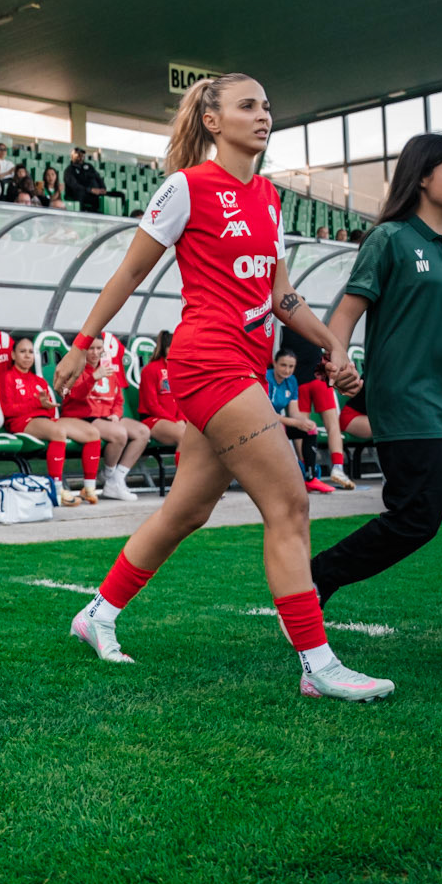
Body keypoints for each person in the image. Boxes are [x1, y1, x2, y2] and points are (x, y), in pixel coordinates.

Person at [52, 72, 392, 700]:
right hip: (209, 362)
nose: (264, 115)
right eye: (247, 106)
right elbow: (129, 274)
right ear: (212, 120)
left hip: (247, 363)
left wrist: (331, 341)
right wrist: (80, 345)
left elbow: (281, 295)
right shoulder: (185, 187)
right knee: (290, 503)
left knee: (187, 509)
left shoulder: (268, 195)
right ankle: (318, 665)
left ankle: (95, 614)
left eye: (266, 104)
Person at [309, 132, 442, 663]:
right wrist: (341, 361)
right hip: (409, 404)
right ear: (423, 176)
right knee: (416, 521)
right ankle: (318, 576)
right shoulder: (391, 239)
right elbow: (346, 316)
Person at [0, 332, 101, 506]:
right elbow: (7, 410)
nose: (28, 355)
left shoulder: (39, 381)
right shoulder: (7, 378)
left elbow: (48, 414)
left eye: (30, 352)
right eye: (22, 351)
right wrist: (37, 403)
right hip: (21, 423)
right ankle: (56, 489)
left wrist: (48, 407)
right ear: (13, 355)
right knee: (58, 431)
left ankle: (89, 489)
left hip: (43, 420)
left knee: (92, 432)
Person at [58, 335, 151, 499]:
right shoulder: (75, 369)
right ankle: (108, 474)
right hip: (85, 416)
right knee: (119, 434)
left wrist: (116, 414)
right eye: (91, 348)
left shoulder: (108, 369)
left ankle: (116, 479)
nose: (95, 353)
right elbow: (74, 396)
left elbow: (118, 399)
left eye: (98, 348)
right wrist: (93, 377)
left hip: (108, 416)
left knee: (143, 432)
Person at [278, 324, 355, 489]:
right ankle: (338, 468)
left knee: (302, 427)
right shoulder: (310, 323)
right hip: (319, 379)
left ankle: (306, 471)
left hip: (300, 381)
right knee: (332, 424)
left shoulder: (281, 329)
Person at [266, 349, 331, 491]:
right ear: (275, 363)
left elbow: (294, 412)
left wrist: (305, 421)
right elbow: (265, 413)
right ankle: (280, 479)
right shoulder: (267, 378)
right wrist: (296, 422)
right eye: (283, 365)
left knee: (310, 429)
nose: (287, 370)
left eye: (291, 367)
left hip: (278, 423)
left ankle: (310, 478)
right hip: (262, 424)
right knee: (279, 428)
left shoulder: (292, 381)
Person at [137, 328, 185, 454]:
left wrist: (181, 419)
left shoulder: (179, 370)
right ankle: (182, 474)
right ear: (166, 348)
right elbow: (152, 405)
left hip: (175, 421)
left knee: (199, 438)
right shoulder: (151, 370)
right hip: (153, 420)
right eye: (173, 347)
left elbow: (182, 399)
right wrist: (174, 421)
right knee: (185, 437)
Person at [64, 147, 108, 212]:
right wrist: (90, 190)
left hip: (95, 193)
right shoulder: (69, 170)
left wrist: (103, 188)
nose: (81, 157)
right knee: (80, 193)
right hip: (81, 193)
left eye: (82, 155)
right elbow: (75, 186)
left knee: (120, 195)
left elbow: (98, 177)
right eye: (78, 155)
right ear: (72, 156)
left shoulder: (89, 166)